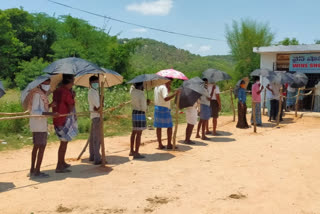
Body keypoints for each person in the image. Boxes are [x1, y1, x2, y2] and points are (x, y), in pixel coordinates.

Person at [28, 79, 58, 178]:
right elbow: (35, 111)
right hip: (38, 125)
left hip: (39, 124)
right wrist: (50, 113)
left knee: (37, 146)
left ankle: (33, 169)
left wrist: (49, 106)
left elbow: (41, 109)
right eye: (46, 83)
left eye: (49, 83)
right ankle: (36, 171)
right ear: (40, 84)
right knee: (41, 146)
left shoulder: (41, 94)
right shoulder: (37, 94)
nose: (48, 85)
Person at [53, 74, 78, 173]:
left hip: (57, 118)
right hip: (64, 118)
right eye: (72, 82)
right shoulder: (66, 92)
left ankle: (62, 162)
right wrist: (73, 97)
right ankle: (59, 165)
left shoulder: (57, 91)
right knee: (63, 143)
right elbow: (71, 104)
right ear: (69, 82)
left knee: (64, 142)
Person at [153, 79, 180, 150]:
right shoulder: (163, 87)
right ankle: (169, 144)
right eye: (170, 81)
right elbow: (166, 98)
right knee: (169, 126)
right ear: (167, 80)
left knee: (159, 127)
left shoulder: (157, 87)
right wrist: (175, 94)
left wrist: (169, 89)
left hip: (157, 108)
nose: (171, 83)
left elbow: (163, 96)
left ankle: (160, 144)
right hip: (164, 109)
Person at [130, 82, 149, 159]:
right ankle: (136, 152)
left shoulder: (132, 91)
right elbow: (144, 107)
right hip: (140, 113)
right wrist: (147, 104)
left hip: (134, 112)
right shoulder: (141, 94)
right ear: (140, 85)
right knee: (139, 133)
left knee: (134, 132)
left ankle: (131, 150)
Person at [88, 76, 102, 165]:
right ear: (90, 83)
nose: (96, 83)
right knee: (97, 138)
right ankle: (97, 158)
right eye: (94, 82)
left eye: (97, 82)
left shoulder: (95, 92)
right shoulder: (92, 92)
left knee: (93, 137)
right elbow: (97, 107)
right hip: (96, 116)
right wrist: (101, 101)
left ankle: (92, 155)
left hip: (95, 116)